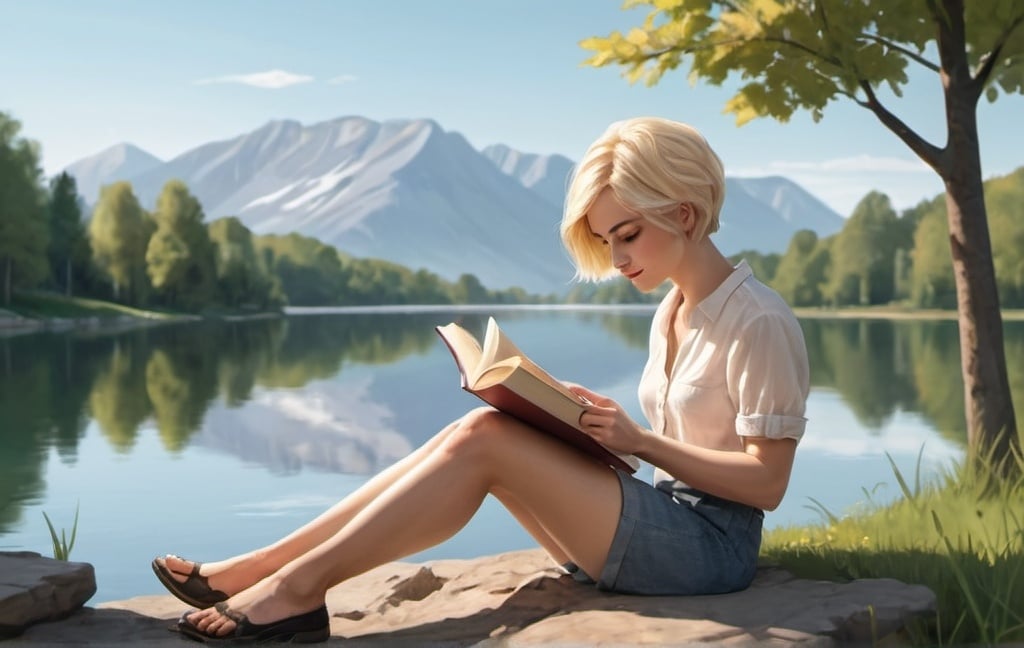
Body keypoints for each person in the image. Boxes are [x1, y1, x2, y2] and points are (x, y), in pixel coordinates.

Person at [154, 116, 810, 643]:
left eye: (628, 235)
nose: (616, 259)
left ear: (686, 215)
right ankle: (265, 569)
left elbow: (768, 485)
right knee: (483, 425)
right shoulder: (672, 308)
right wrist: (568, 416)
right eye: (608, 239)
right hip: (659, 524)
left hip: (709, 554)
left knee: (485, 444)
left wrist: (640, 443)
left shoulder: (759, 321)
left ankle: (294, 593)